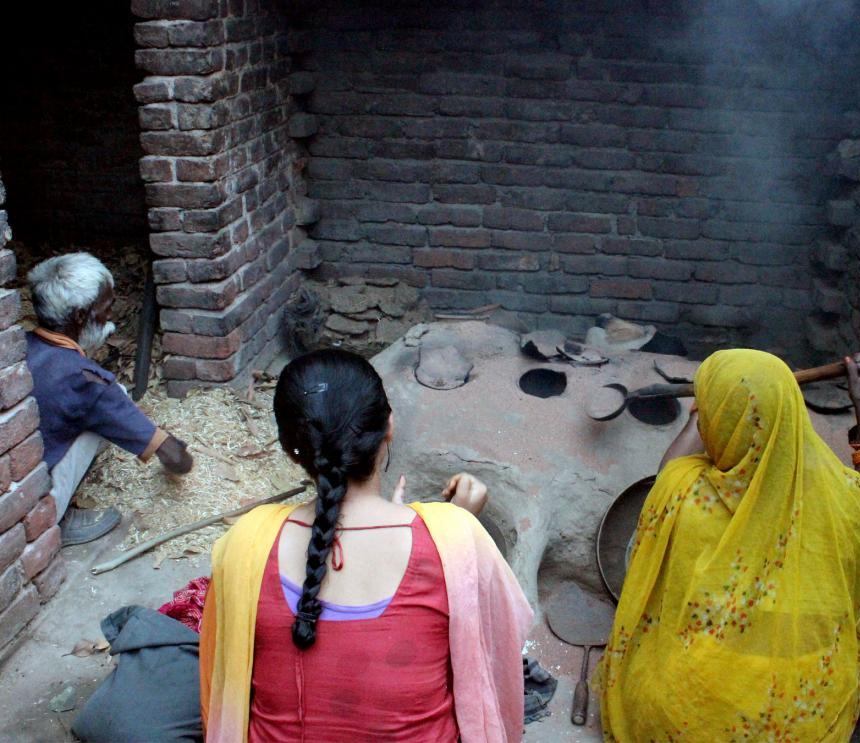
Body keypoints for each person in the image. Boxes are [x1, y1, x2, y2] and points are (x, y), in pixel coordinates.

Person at [199, 349, 532, 743]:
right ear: (389, 425)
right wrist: (454, 531)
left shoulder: (245, 542)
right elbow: (500, 655)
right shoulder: (455, 540)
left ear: (289, 449)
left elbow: (220, 677)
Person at [597, 349, 860, 742]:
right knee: (853, 581)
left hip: (687, 716)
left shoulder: (684, 495)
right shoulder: (844, 497)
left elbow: (665, 472)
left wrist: (704, 409)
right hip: (800, 718)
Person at [25, 252, 193, 545]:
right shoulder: (86, 380)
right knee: (109, 408)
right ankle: (57, 519)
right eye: (106, 308)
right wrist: (179, 454)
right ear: (80, 316)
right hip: (29, 511)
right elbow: (175, 458)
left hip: (13, 482)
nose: (110, 317)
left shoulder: (19, 346)